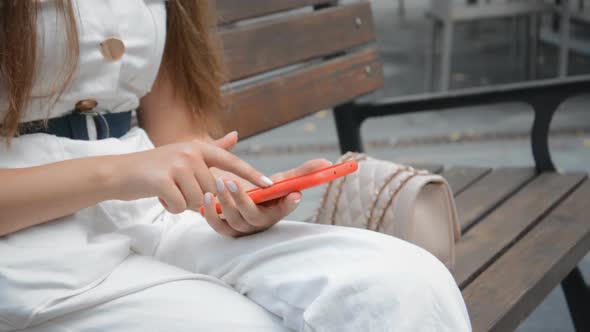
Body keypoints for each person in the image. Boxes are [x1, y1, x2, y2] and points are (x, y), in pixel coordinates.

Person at [0, 1, 471, 331]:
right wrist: (121, 173)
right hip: (33, 254)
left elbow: (178, 136)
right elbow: (139, 165)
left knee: (409, 286)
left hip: (155, 217)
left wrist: (235, 192)